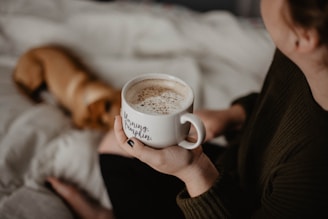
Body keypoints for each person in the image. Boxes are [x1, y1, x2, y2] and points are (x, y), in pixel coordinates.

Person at [47, 0, 328, 218]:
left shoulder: (313, 179)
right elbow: (284, 107)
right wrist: (233, 115)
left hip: (227, 204)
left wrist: (195, 171)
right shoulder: (305, 56)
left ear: (304, 36)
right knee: (114, 148)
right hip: (240, 168)